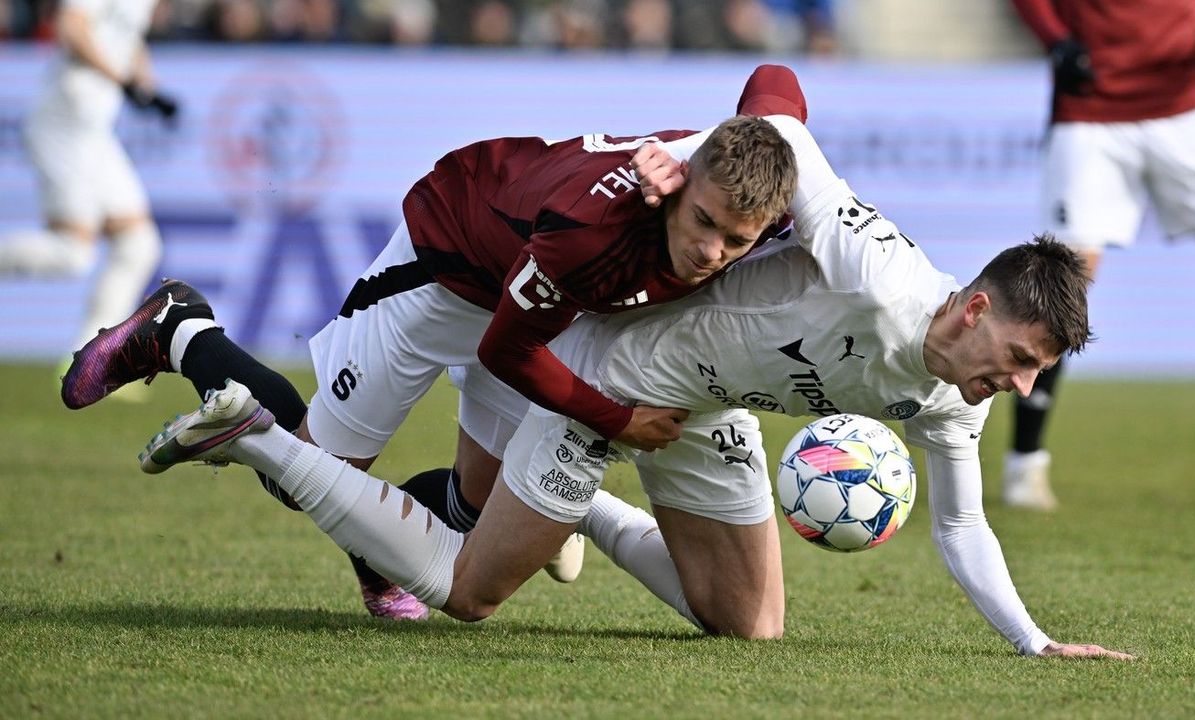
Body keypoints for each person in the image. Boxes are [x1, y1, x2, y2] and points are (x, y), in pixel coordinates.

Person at [137, 110, 1133, 659]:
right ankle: (254, 434)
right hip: (613, 367)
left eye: (1033, 372)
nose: (1017, 382)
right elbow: (778, 105)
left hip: (701, 411)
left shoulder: (948, 400)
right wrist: (716, 150)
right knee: (467, 591)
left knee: (749, 626)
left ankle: (586, 519)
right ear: (971, 310)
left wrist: (1035, 645)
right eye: (1020, 356)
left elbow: (961, 530)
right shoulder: (873, 271)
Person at [61, 66, 803, 619]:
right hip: (448, 263)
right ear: (681, 187)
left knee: (477, 515)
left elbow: (776, 79)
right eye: (701, 221)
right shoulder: (592, 232)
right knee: (301, 475)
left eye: (732, 238)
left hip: (539, 297)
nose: (711, 251)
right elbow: (506, 353)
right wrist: (619, 423)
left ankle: (375, 544)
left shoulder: (758, 181)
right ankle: (181, 328)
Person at [1005, 0, 1195, 510]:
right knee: (1064, 284)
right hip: (1090, 112)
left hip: (1183, 107)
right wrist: (1054, 39)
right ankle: (1025, 464)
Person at [0, 0, 176, 366]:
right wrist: (123, 79)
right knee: (73, 252)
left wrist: (148, 86)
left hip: (93, 130)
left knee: (139, 244)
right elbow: (71, 28)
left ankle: (91, 360)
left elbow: (126, 38)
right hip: (64, 122)